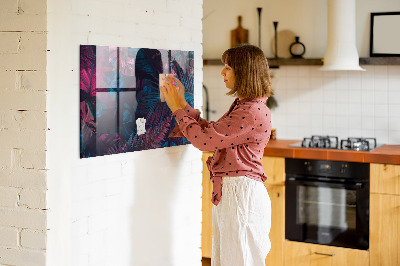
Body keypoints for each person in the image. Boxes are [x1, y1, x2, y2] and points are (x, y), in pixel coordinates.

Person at [161, 44, 273, 266]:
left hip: (241, 195)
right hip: (236, 193)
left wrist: (176, 108)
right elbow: (212, 133)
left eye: (228, 67)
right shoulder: (246, 106)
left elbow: (204, 141)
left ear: (244, 72)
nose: (222, 72)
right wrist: (182, 103)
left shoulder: (250, 111)